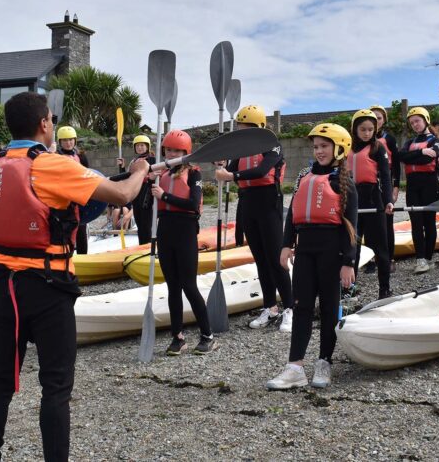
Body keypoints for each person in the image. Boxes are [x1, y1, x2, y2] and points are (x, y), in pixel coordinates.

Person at [0, 92, 149, 461]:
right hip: (47, 285)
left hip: (2, 283)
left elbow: (41, 210)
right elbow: (120, 195)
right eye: (52, 120)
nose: (53, 127)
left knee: (0, 380)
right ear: (43, 124)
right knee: (55, 387)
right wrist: (140, 172)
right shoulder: (53, 164)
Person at [267, 123, 357, 390]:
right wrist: (286, 245)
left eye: (324, 146)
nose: (319, 151)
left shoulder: (344, 182)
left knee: (329, 308)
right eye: (316, 146)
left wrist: (348, 262)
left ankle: (324, 362)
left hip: (332, 251)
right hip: (304, 250)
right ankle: (295, 367)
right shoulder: (303, 177)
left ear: (339, 148)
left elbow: (352, 227)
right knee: (301, 306)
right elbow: (293, 216)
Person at [215, 105, 294, 332]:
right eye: (240, 128)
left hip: (269, 202)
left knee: (275, 259)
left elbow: (261, 171)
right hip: (248, 202)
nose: (243, 132)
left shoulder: (273, 146)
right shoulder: (240, 150)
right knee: (260, 259)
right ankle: (270, 307)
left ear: (259, 128)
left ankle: (290, 307)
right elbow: (227, 169)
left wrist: (231, 175)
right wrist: (220, 164)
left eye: (246, 128)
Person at [149, 129, 216, 355]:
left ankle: (208, 335)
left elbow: (193, 204)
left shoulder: (194, 173)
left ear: (185, 152)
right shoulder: (160, 174)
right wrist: (146, 184)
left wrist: (164, 196)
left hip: (185, 231)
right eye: (168, 149)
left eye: (176, 150)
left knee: (189, 285)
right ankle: (177, 337)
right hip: (165, 230)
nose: (171, 153)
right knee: (173, 287)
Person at [348, 109, 394, 298]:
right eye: (363, 129)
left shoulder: (378, 148)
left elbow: (385, 176)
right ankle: (349, 289)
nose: (367, 133)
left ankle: (384, 288)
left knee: (380, 247)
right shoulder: (347, 147)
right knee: (352, 248)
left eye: (370, 129)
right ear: (355, 129)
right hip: (353, 200)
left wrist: (388, 201)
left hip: (374, 200)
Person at [397, 107, 439, 273]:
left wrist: (417, 155)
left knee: (429, 221)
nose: (415, 124)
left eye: (417, 121)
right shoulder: (409, 142)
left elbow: (426, 160)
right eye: (412, 122)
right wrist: (422, 150)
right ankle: (420, 259)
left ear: (426, 121)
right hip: (412, 184)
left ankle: (429, 257)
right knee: (416, 222)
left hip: (430, 183)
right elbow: (400, 156)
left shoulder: (436, 140)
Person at [372, 104, 400, 274]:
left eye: (379, 118)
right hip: (368, 185)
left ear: (384, 120)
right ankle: (371, 259)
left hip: (385, 184)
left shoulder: (389, 139)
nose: (376, 121)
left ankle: (390, 258)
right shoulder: (359, 142)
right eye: (372, 118)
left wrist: (395, 188)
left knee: (387, 223)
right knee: (369, 223)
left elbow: (396, 165)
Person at [56, 126, 91, 254]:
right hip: (64, 199)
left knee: (81, 229)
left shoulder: (81, 157)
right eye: (65, 140)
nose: (68, 143)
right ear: (60, 142)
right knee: (67, 230)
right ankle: (67, 257)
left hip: (80, 198)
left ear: (75, 140)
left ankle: (83, 258)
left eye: (71, 140)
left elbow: (89, 176)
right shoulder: (55, 157)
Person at [117, 135, 156, 244]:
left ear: (147, 146)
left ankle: (148, 248)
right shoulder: (134, 161)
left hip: (147, 192)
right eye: (138, 146)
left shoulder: (151, 159)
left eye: (142, 145)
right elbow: (127, 177)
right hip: (136, 193)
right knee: (139, 224)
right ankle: (141, 246)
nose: (140, 148)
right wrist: (122, 167)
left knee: (146, 224)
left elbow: (155, 176)